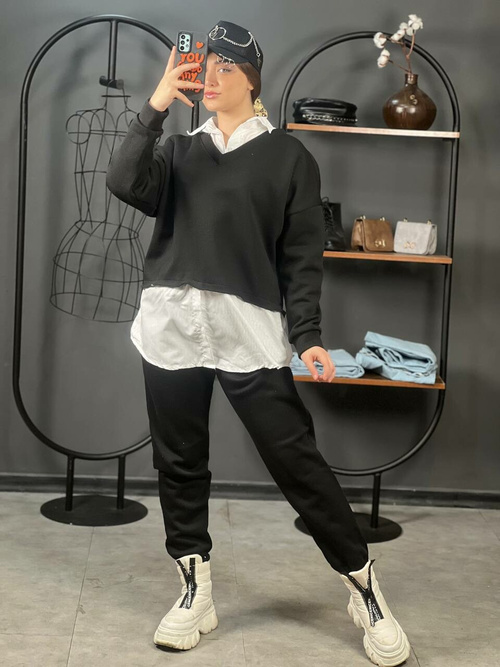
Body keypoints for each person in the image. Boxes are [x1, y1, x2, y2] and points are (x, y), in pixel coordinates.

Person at [106, 19, 411, 667]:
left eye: (225, 68)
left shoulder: (288, 158)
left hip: (248, 331)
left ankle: (365, 589)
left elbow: (302, 258)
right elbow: (123, 182)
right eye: (205, 68)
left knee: (296, 461)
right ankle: (195, 590)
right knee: (178, 462)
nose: (210, 78)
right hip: (172, 325)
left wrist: (308, 336)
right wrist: (157, 102)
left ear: (251, 79)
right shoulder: (179, 151)